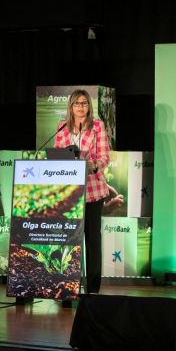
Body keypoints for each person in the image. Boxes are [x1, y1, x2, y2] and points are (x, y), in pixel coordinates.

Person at [55, 89, 110, 294]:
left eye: (84, 103)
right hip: (70, 192)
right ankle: (70, 286)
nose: (81, 107)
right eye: (77, 103)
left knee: (92, 239)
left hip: (93, 190)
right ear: (71, 106)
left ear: (89, 106)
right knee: (71, 240)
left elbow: (105, 156)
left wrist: (94, 165)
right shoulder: (61, 127)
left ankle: (93, 288)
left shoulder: (97, 127)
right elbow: (56, 156)